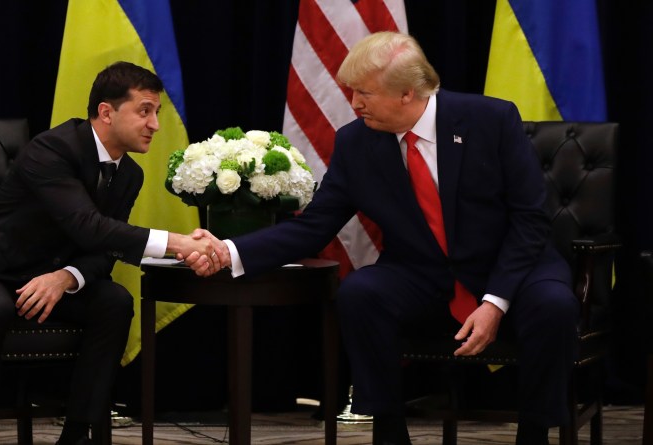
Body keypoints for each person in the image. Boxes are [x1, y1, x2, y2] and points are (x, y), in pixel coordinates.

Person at [184, 32, 578, 445]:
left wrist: (495, 301)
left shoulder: (490, 120)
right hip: (422, 272)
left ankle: (534, 432)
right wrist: (228, 250)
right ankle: (389, 430)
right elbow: (312, 226)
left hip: (511, 263)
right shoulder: (356, 142)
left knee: (554, 305)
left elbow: (530, 219)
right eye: (352, 91)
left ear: (408, 93)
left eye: (364, 93)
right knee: (360, 293)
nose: (355, 103)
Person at [0, 61, 223, 445]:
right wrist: (179, 243)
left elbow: (108, 247)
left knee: (115, 301)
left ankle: (77, 433)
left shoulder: (130, 174)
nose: (155, 125)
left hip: (51, 273)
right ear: (106, 112)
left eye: (157, 113)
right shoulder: (52, 148)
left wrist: (66, 278)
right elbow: (89, 226)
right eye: (144, 111)